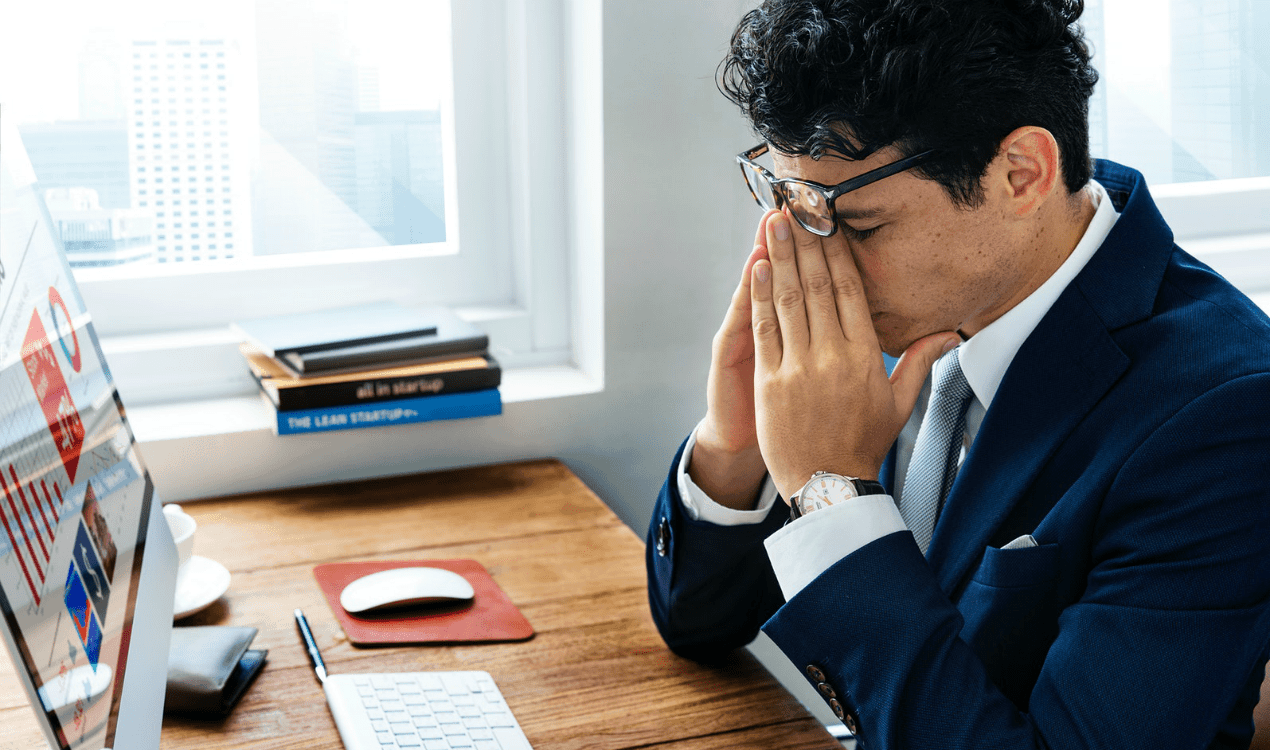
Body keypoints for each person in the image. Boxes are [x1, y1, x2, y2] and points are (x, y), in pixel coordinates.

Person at [644, 1, 1270, 747]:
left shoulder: (1226, 414)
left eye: (859, 223)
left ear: (1020, 173)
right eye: (791, 201)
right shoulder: (882, 305)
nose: (818, 258)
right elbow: (699, 623)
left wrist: (830, 495)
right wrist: (735, 443)